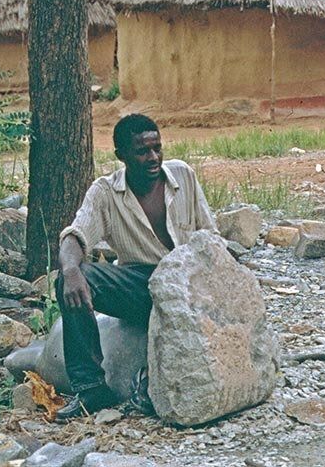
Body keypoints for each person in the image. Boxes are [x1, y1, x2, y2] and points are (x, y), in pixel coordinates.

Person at [54, 114, 216, 420]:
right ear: (122, 156)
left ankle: (150, 381)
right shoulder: (105, 192)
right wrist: (72, 271)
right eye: (142, 151)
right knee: (70, 277)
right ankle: (91, 389)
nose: (153, 157)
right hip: (141, 286)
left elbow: (210, 236)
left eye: (157, 147)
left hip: (191, 285)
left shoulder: (183, 175)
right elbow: (75, 235)